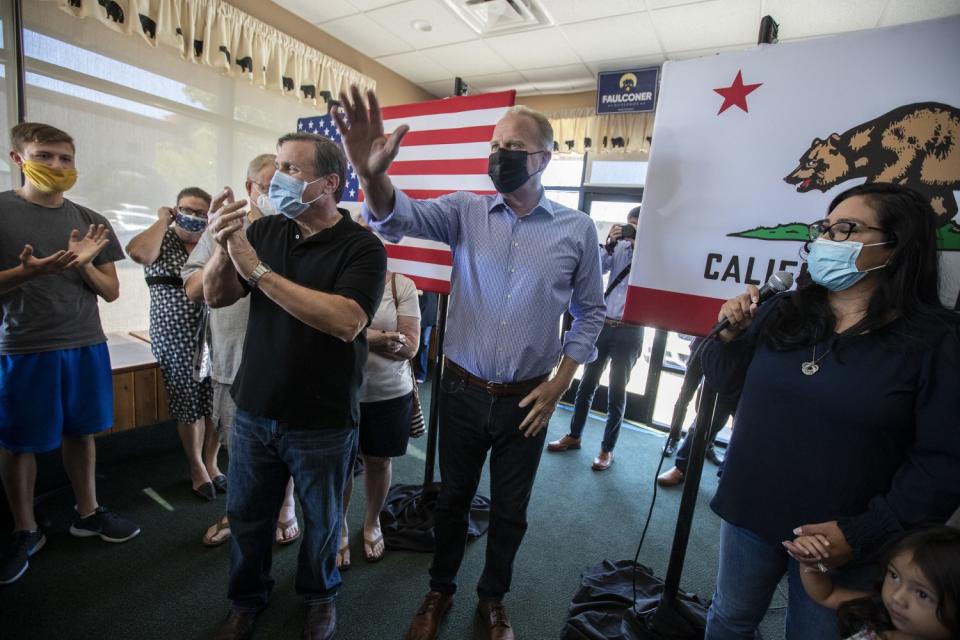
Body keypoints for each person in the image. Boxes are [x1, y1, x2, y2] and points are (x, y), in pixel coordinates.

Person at [334, 86, 605, 640]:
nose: (499, 154)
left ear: (545, 159)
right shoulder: (464, 211)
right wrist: (373, 174)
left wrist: (559, 384)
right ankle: (440, 590)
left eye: (514, 146)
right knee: (452, 500)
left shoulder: (576, 230)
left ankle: (493, 599)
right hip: (459, 391)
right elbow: (394, 218)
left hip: (527, 401)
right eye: (495, 144)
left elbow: (591, 314)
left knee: (510, 510)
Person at [698, 182, 960, 639]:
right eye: (825, 228)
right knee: (729, 618)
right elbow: (726, 381)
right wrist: (728, 336)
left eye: (845, 229)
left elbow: (941, 463)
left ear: (895, 247)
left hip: (843, 541)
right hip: (751, 509)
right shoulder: (784, 308)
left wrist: (863, 534)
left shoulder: (936, 341)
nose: (825, 241)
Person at [204, 131, 386, 640]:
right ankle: (246, 600)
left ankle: (319, 595)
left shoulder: (363, 248)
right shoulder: (265, 233)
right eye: (278, 166)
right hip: (256, 406)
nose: (278, 179)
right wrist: (224, 246)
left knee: (322, 521)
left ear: (330, 183)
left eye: (293, 170)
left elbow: (347, 321)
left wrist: (258, 272)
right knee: (247, 516)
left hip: (322, 418)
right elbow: (218, 297)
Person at [0, 122, 140, 585]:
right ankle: (25, 529)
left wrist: (84, 266)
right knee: (20, 443)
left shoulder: (88, 218)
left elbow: (112, 292)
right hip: (22, 347)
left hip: (84, 344)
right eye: (45, 157)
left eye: (65, 158)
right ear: (19, 159)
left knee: (82, 433)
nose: (57, 166)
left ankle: (88, 511)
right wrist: (25, 274)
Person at [180, 153, 300, 547]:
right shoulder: (224, 229)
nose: (277, 194)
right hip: (233, 363)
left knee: (287, 446)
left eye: (286, 185)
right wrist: (224, 243)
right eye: (269, 187)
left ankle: (285, 508)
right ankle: (238, 513)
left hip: (286, 364)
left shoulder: (298, 229)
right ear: (250, 188)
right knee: (242, 452)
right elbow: (195, 290)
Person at [126, 188, 220, 501]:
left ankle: (212, 462)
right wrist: (162, 221)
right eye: (186, 209)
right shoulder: (161, 240)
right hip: (175, 336)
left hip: (214, 334)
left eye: (200, 212)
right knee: (188, 405)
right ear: (174, 209)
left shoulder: (211, 243)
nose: (193, 216)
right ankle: (196, 467)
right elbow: (138, 254)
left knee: (214, 403)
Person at [340, 218, 421, 566]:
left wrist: (355, 333)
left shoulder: (401, 284)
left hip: (388, 392)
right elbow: (328, 332)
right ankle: (339, 528)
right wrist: (380, 337)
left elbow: (410, 347)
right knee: (339, 466)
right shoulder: (334, 281)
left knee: (378, 460)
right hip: (340, 391)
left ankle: (372, 522)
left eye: (374, 234)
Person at [547, 207, 644, 471]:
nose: (629, 231)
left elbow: (651, 278)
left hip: (630, 329)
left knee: (616, 392)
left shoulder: (650, 255)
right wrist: (611, 245)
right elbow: (596, 268)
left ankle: (606, 450)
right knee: (586, 384)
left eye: (636, 226)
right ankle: (574, 436)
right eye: (628, 225)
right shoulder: (619, 247)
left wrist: (640, 246)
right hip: (603, 325)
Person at [795, 526, 960, 640]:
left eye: (922, 594)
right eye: (894, 576)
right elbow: (826, 595)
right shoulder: (878, 610)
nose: (897, 597)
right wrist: (811, 563)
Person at [656, 337, 737, 487]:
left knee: (739, 424)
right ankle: (676, 449)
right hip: (704, 345)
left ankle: (724, 471)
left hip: (737, 357)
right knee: (690, 401)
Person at [414, 291, 438, 383]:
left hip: (428, 305)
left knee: (424, 341)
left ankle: (421, 374)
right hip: (413, 303)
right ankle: (410, 372)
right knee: (407, 338)